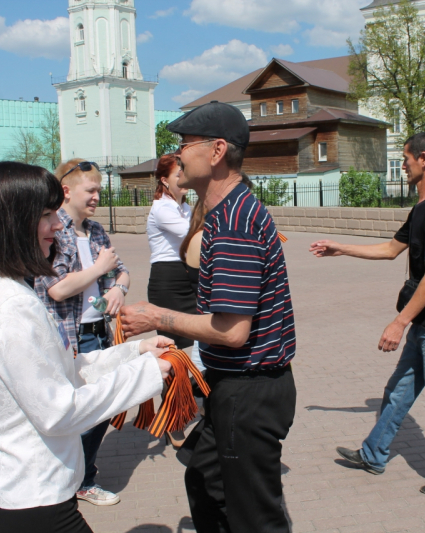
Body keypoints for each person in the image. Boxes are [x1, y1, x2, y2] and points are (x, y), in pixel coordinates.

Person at [0, 161, 172, 533]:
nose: (57, 226)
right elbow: (58, 411)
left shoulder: (2, 288)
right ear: (12, 221)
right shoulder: (11, 305)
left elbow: (58, 369)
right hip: (33, 498)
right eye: (45, 216)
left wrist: (132, 353)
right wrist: (145, 376)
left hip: (23, 485)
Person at [120, 101, 297, 532]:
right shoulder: (224, 214)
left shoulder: (234, 219)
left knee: (256, 518)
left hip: (249, 391)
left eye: (185, 144)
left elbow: (234, 332)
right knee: (204, 482)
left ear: (217, 151)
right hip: (234, 386)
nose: (178, 154)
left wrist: (157, 317)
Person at [309, 132, 425, 496]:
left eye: (405, 159)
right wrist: (341, 248)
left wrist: (399, 323)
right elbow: (390, 249)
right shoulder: (421, 209)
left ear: (424, 160)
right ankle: (374, 453)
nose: (402, 165)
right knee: (398, 392)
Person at [34, 159, 130, 507]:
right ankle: (77, 480)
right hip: (69, 337)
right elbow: (56, 290)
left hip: (99, 333)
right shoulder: (51, 231)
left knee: (99, 410)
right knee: (77, 413)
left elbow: (123, 272)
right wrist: (99, 269)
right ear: (66, 190)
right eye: (90, 190)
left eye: (98, 191)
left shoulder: (97, 230)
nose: (96, 197)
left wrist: (119, 288)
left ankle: (79, 477)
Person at [146, 153, 195, 349]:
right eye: (178, 174)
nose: (183, 178)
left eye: (185, 172)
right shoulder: (162, 208)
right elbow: (191, 234)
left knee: (195, 340)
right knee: (175, 347)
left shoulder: (184, 207)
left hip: (186, 275)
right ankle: (172, 381)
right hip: (168, 280)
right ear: (164, 180)